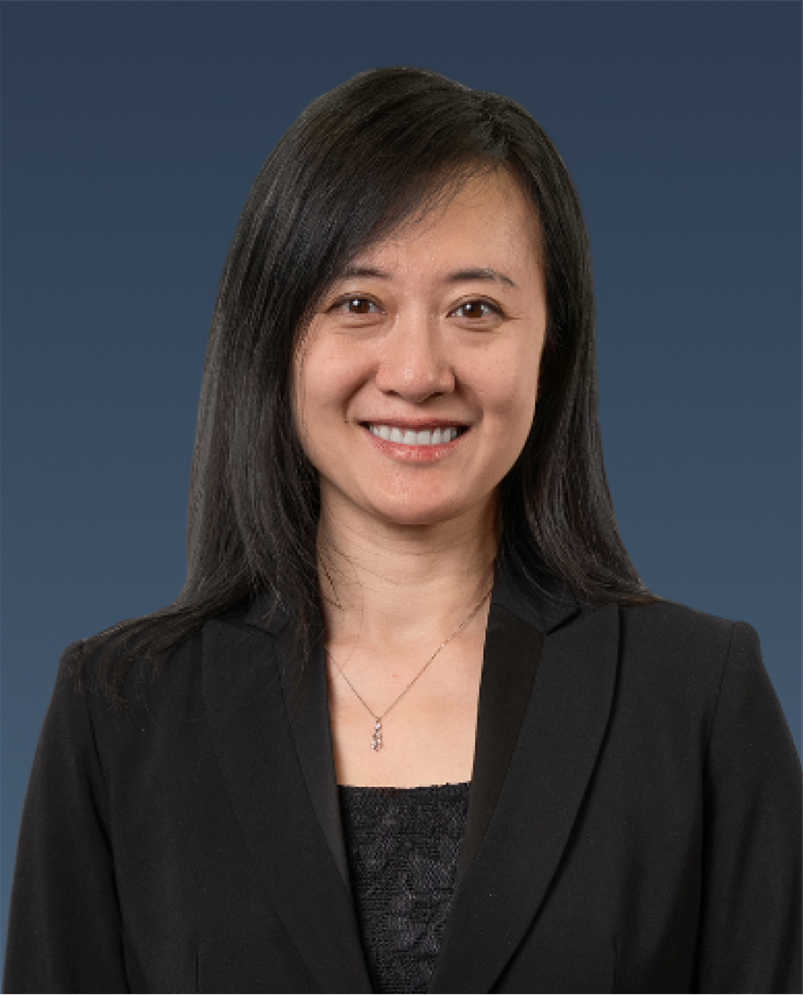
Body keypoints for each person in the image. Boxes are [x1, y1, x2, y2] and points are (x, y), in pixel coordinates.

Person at [4, 66, 800, 995]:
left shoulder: (697, 702)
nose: (417, 371)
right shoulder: (120, 710)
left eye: (476, 309)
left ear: (555, 344)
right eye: (358, 303)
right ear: (273, 339)